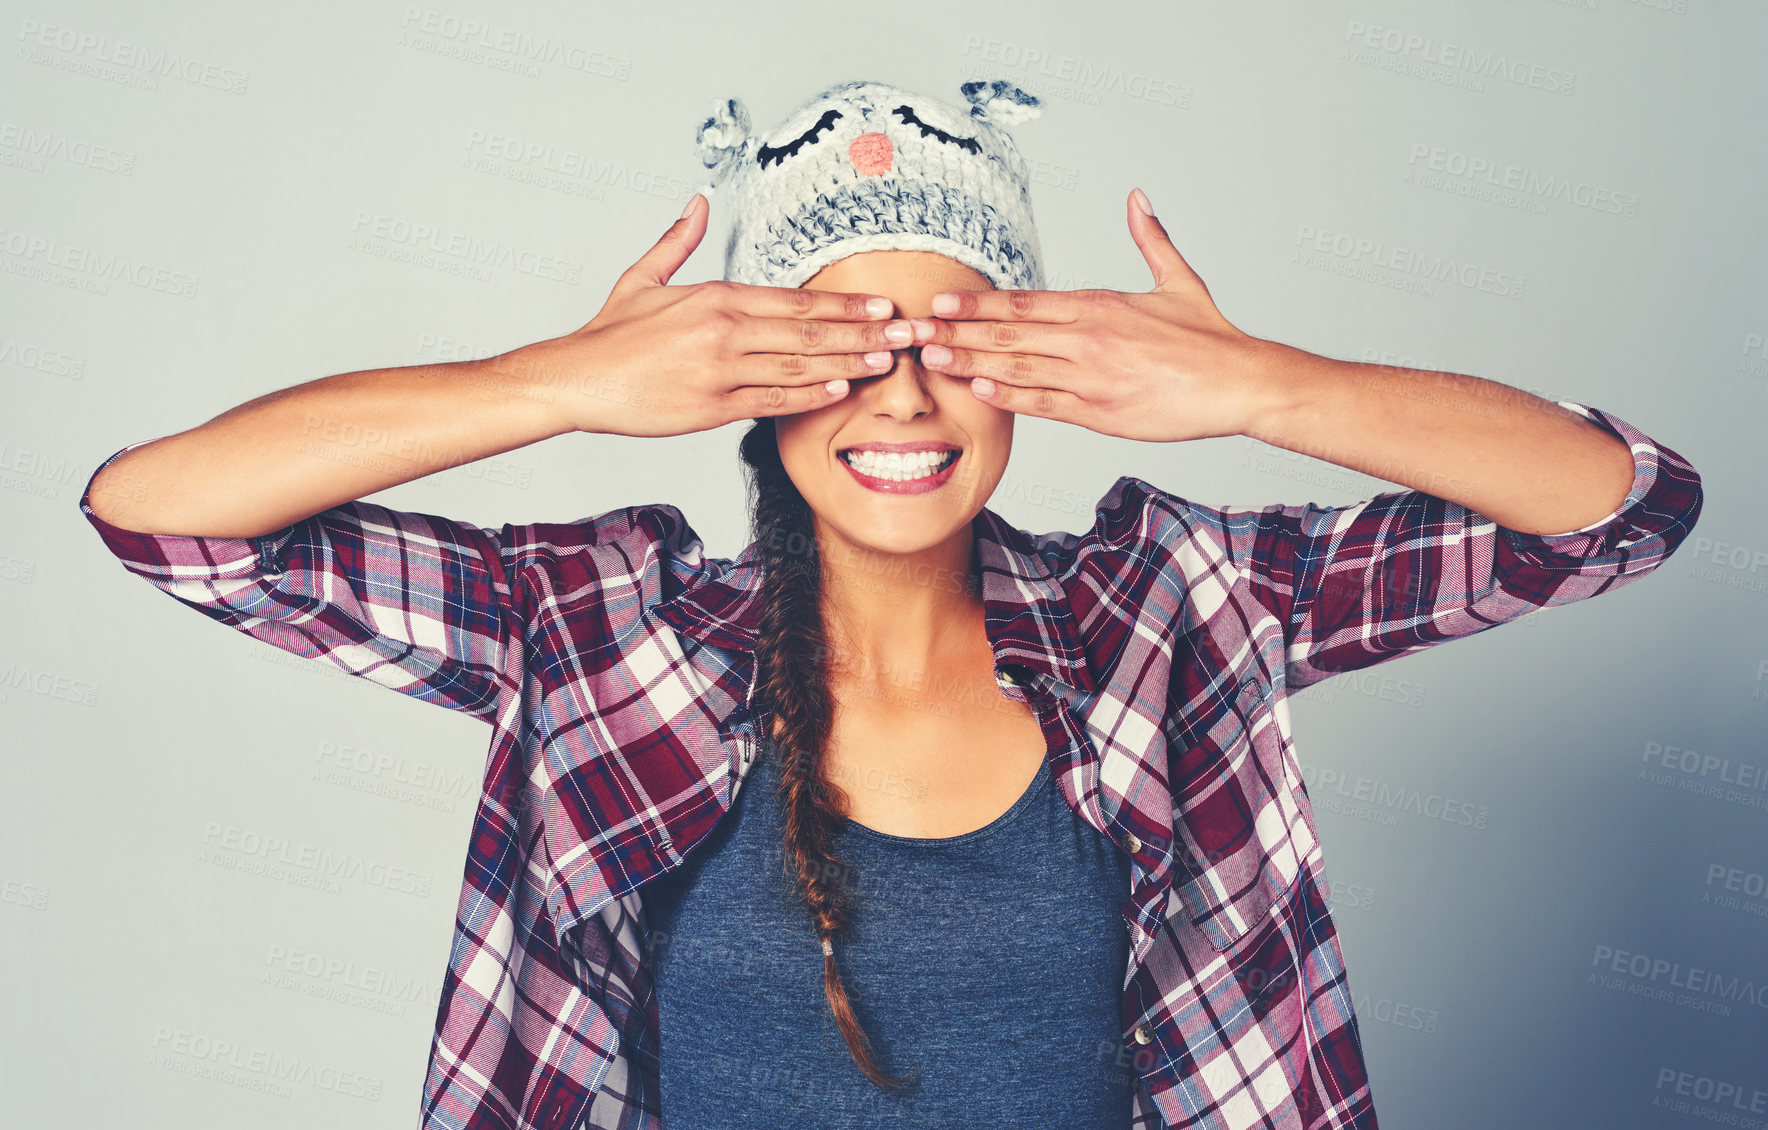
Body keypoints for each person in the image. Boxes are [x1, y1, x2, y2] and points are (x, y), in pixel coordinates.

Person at [79, 78, 1704, 1130]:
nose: (906, 391)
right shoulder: (595, 628)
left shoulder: (1177, 609)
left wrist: (1262, 386)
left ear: (1032, 366)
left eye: (959, 328)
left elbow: (1620, 509)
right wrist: (557, 382)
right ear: (750, 376)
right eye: (842, 335)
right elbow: (165, 519)